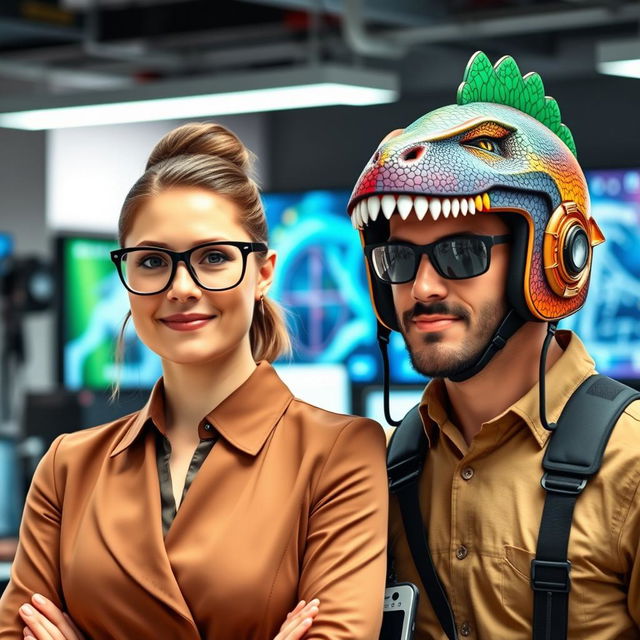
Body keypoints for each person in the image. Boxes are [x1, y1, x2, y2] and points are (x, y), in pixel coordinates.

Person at [0, 122, 389, 639]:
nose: (181, 288)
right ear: (126, 277)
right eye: (153, 261)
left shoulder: (340, 453)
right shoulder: (68, 467)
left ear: (264, 272)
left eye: (213, 258)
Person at [347, 52, 640, 638]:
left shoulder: (630, 466)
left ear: (556, 257)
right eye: (399, 259)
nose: (422, 288)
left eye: (462, 253)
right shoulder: (378, 467)